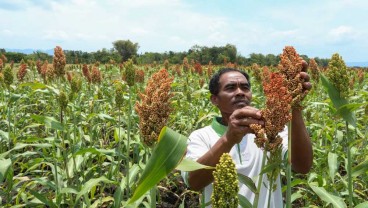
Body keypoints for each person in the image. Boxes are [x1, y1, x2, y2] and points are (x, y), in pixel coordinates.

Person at [182, 63, 313, 207]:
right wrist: (228, 139)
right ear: (215, 100)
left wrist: (294, 105)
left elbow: (302, 166)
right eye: (230, 88)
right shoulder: (201, 136)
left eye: (245, 87)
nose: (240, 92)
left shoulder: (271, 131)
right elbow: (194, 182)